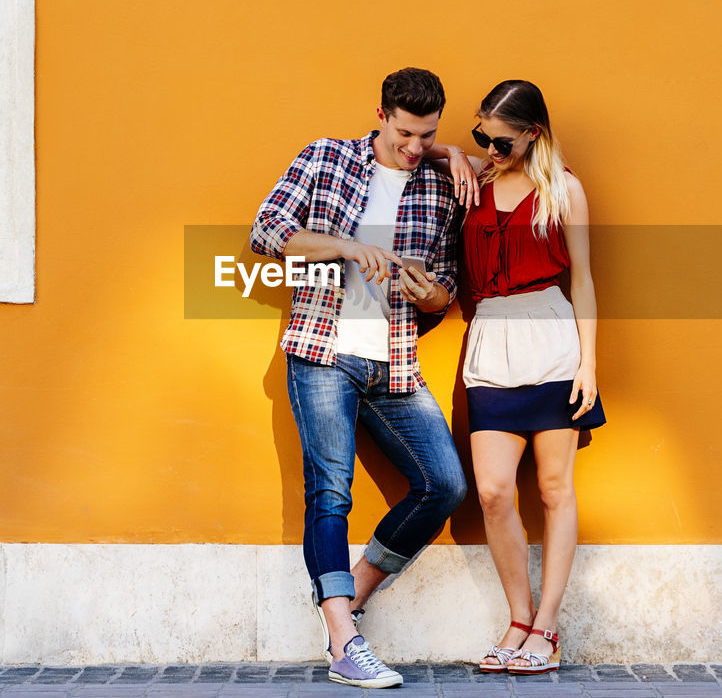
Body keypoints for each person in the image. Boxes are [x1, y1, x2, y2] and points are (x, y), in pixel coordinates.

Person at [249, 67, 467, 689]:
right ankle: (345, 643)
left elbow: (444, 289)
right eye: (404, 134)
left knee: (444, 485)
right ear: (380, 115)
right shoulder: (326, 158)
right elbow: (268, 235)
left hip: (394, 360)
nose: (415, 148)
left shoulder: (437, 185)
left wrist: (430, 295)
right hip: (322, 350)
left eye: (427, 136)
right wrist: (344, 246)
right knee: (331, 490)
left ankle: (352, 597)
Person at [434, 79, 604, 674]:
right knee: (493, 491)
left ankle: (547, 629)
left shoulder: (565, 191)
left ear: (534, 133)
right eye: (481, 133)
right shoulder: (473, 180)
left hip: (552, 340)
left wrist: (588, 363)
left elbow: (582, 279)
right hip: (490, 344)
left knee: (556, 490)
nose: (489, 145)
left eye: (499, 139)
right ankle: (517, 617)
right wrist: (456, 152)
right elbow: (417, 148)